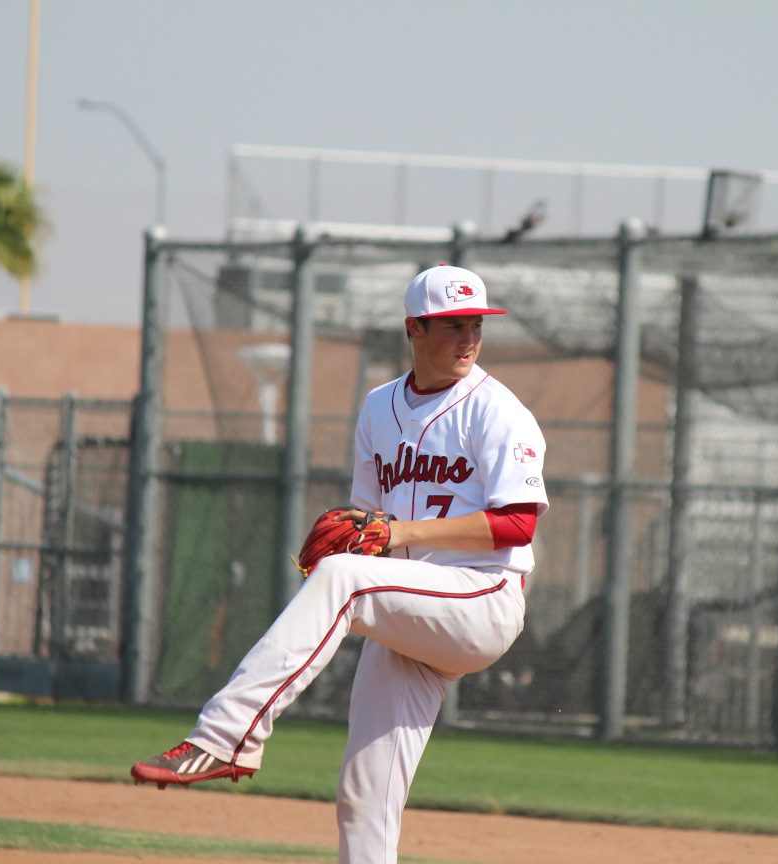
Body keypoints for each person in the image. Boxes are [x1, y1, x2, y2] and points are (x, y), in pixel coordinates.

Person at [131, 264, 549, 864]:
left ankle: (226, 737)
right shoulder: (379, 407)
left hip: (481, 598)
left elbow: (517, 523)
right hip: (408, 607)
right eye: (453, 325)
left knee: (344, 580)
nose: (469, 338)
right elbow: (369, 520)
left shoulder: (497, 411)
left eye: (476, 324)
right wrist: (360, 539)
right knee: (364, 794)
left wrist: (394, 535)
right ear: (414, 328)